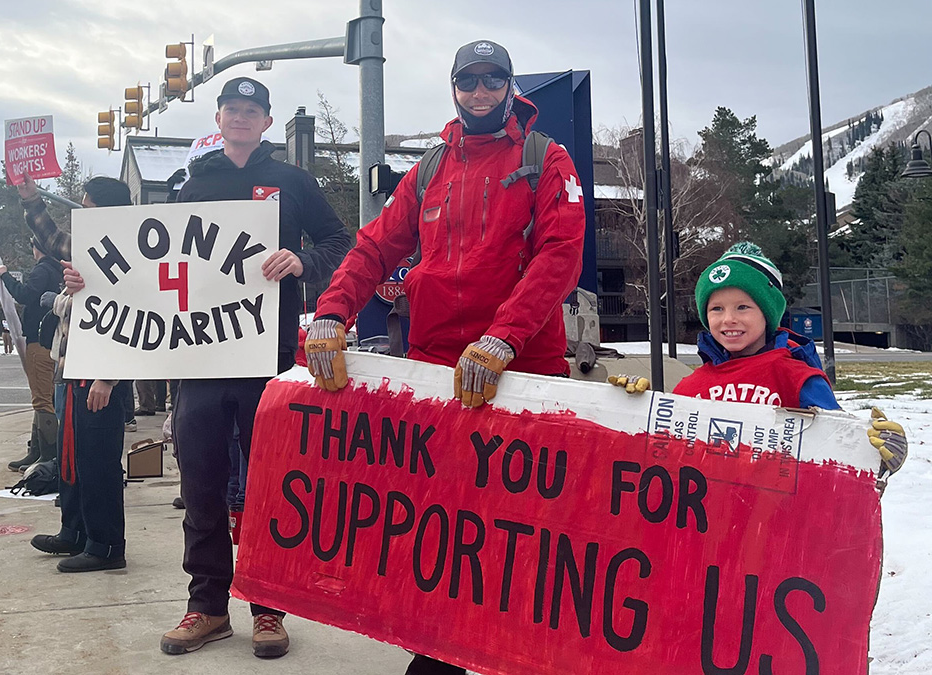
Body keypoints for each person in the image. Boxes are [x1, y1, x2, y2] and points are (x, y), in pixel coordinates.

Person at [305, 41, 587, 674]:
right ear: (454, 87)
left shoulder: (546, 159)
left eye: (494, 79)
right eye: (469, 79)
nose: (481, 90)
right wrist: (331, 312)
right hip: (436, 374)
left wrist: (504, 338)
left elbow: (559, 256)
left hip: (523, 376)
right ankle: (436, 652)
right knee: (439, 526)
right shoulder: (431, 168)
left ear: (511, 87)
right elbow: (375, 246)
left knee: (521, 529)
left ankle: (522, 652)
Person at [63, 77, 352, 658]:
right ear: (218, 118)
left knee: (270, 485)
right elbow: (153, 269)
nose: (241, 118)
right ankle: (208, 607)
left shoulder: (295, 182)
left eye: (252, 111)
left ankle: (269, 608)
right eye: (232, 110)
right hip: (197, 357)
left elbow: (340, 241)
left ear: (266, 122)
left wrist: (303, 260)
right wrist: (91, 281)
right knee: (199, 484)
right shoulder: (192, 184)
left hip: (267, 357)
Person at [611, 242, 908, 479]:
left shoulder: (797, 377)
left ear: (768, 313)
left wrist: (880, 459)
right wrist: (633, 410)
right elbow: (659, 459)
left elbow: (839, 450)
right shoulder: (692, 386)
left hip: (778, 533)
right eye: (716, 309)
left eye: (743, 307)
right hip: (709, 535)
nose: (729, 319)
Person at [17, 174, 136, 573]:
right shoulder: (92, 248)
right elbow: (52, 241)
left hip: (99, 376)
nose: (81, 217)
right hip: (73, 368)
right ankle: (77, 530)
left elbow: (133, 320)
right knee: (74, 458)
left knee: (98, 462)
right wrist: (32, 201)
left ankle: (105, 545)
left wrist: (110, 376)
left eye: (87, 209)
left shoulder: (134, 254)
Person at [0, 238, 64, 473]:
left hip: (39, 341)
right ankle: (37, 451)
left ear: (37, 248)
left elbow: (25, 295)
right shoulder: (58, 271)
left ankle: (47, 455)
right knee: (46, 395)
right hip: (52, 340)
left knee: (41, 398)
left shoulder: (42, 270)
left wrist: (5, 276)